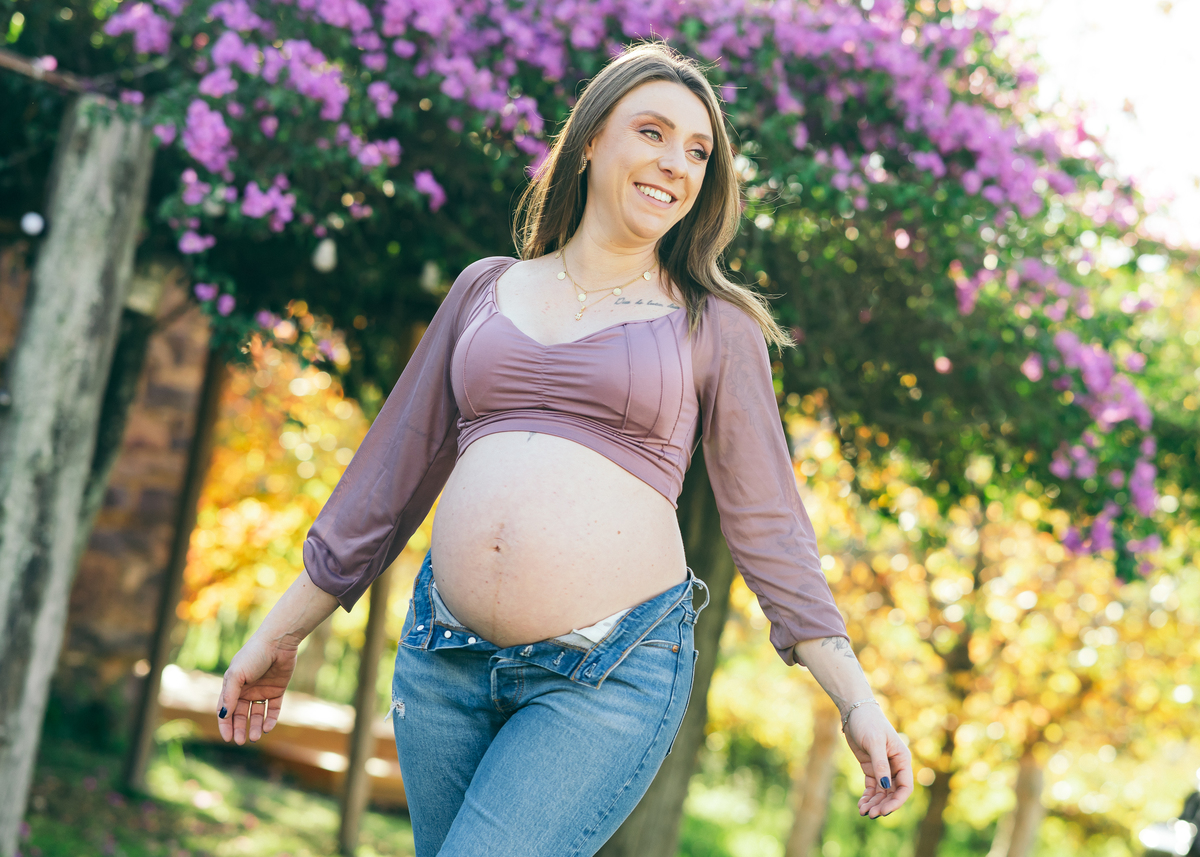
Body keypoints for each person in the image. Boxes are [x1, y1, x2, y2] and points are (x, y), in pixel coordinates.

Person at [216, 39, 913, 856]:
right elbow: (389, 476)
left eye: (697, 151)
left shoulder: (714, 326)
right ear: (589, 142)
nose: (675, 164)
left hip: (608, 674)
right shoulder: (485, 287)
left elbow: (769, 525)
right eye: (651, 132)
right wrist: (282, 628)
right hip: (443, 659)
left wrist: (857, 698)